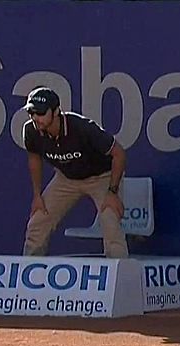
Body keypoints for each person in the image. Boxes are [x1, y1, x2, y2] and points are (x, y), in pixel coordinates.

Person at [21, 87, 129, 259]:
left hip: (102, 177)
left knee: (109, 219)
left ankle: (121, 276)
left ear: (56, 111)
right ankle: (28, 273)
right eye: (31, 113)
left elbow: (119, 153)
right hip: (66, 178)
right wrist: (37, 195)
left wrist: (112, 192)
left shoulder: (82, 128)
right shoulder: (31, 131)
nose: (35, 118)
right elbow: (34, 159)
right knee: (38, 221)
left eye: (40, 113)